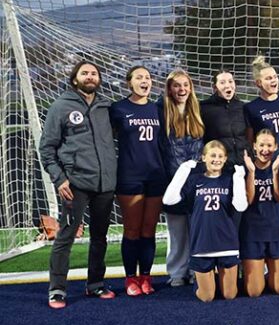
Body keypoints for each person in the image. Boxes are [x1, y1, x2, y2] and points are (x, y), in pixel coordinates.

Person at [40, 60, 118, 309]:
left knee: (100, 237)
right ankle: (57, 289)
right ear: (75, 78)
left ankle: (95, 284)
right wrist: (59, 178)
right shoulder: (60, 107)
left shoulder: (106, 107)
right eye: (85, 73)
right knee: (66, 235)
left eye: (94, 73)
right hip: (75, 184)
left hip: (105, 183)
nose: (90, 76)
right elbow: (47, 148)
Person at [162, 141, 248, 302]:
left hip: (227, 245)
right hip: (202, 245)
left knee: (230, 295)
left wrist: (239, 178)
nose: (216, 159)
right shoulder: (194, 180)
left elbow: (241, 206)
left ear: (225, 158)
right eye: (212, 155)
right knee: (207, 297)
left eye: (220, 156)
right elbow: (169, 200)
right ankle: (204, 283)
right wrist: (184, 169)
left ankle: (214, 280)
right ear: (203, 157)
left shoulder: (230, 179)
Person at [110, 66, 167, 296]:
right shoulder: (118, 109)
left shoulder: (158, 109)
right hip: (129, 176)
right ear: (129, 83)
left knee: (148, 230)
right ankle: (130, 278)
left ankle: (145, 276)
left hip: (156, 176)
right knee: (131, 230)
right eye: (139, 78)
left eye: (148, 77)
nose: (144, 81)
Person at [159, 69, 204, 287]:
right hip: (173, 182)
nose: (182, 89)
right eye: (177, 85)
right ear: (169, 88)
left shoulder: (197, 111)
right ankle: (177, 273)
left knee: (197, 230)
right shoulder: (162, 112)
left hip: (196, 182)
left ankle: (197, 271)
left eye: (185, 85)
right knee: (176, 233)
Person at [239, 130, 279, 297]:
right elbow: (249, 200)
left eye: (269, 145)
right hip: (253, 231)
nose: (265, 149)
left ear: (275, 147)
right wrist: (252, 172)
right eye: (261, 145)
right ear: (254, 146)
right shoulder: (245, 169)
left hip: (277, 229)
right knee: (254, 292)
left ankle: (269, 269)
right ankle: (258, 270)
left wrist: (275, 172)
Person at [244, 57, 279, 153]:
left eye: (275, 77)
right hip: (269, 159)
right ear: (258, 83)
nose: (274, 80)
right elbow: (250, 140)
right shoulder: (251, 108)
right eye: (268, 78)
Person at [200, 70, 248, 167]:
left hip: (245, 164)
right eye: (222, 82)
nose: (227, 85)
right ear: (215, 87)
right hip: (219, 166)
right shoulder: (203, 108)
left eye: (230, 81)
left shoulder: (243, 107)